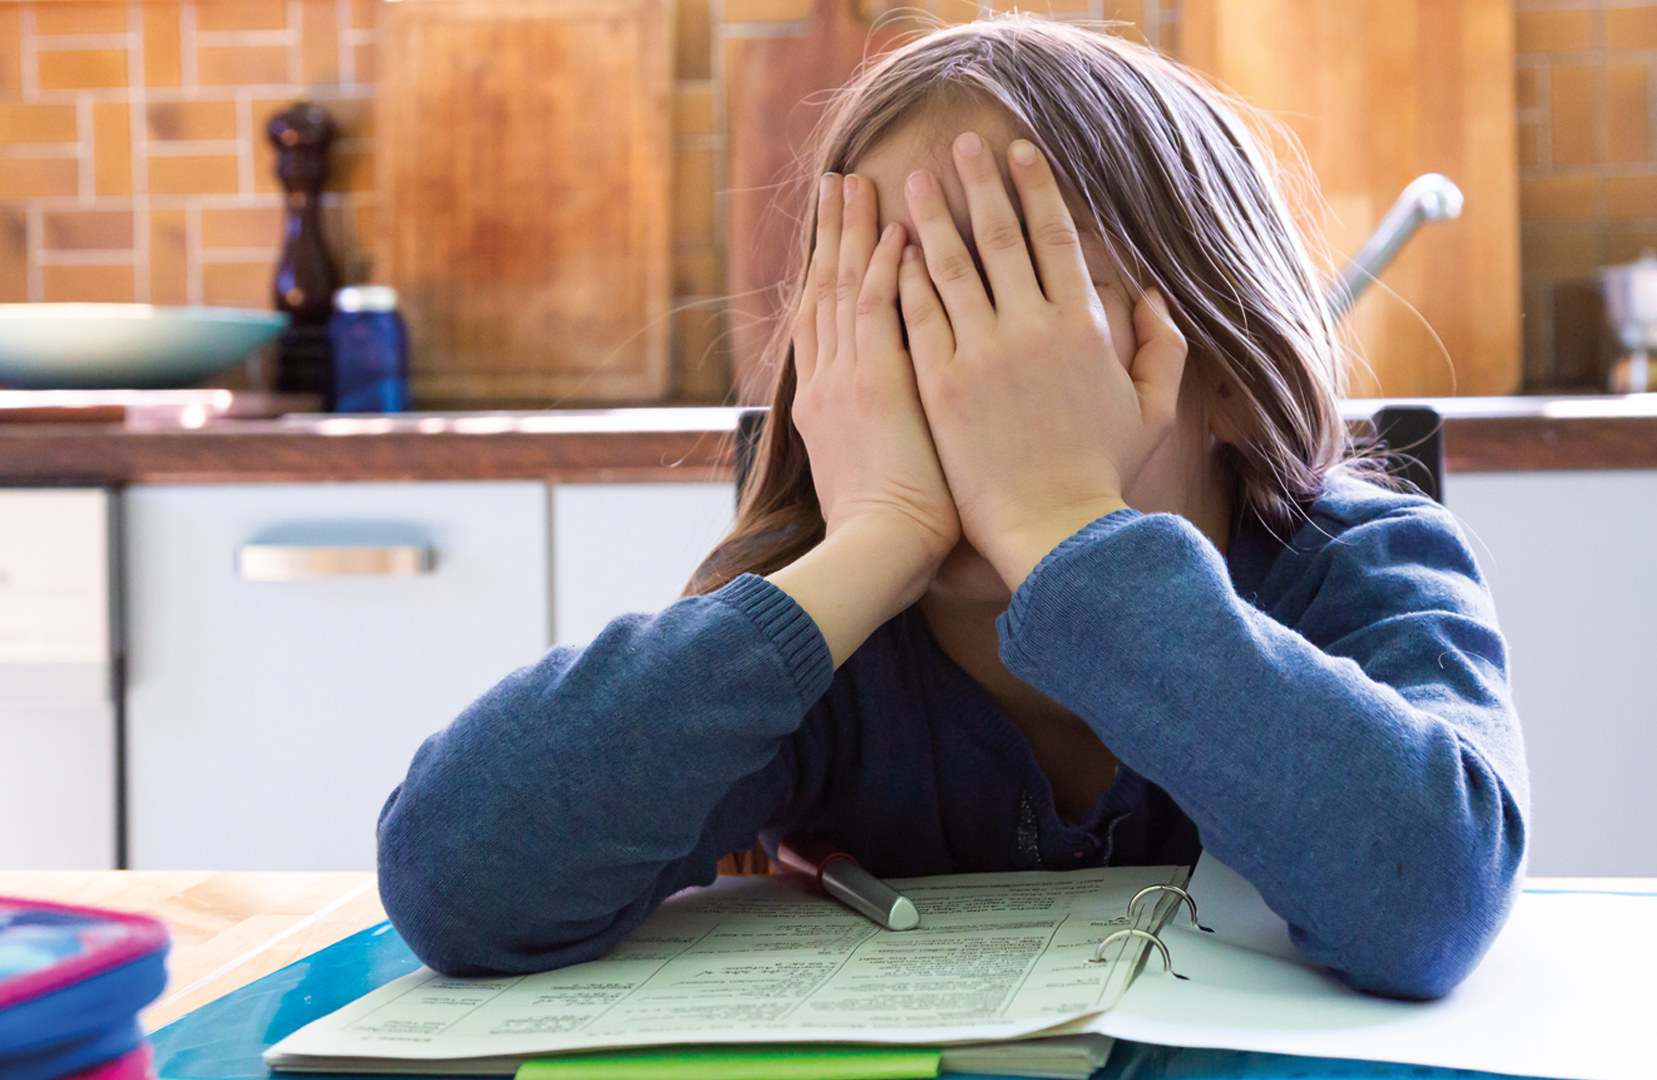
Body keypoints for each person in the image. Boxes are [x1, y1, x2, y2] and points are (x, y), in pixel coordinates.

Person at [375, 15, 1526, 1000]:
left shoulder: (1363, 565)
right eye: (892, 319)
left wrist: (1070, 531)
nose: (951, 386)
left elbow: (1432, 902)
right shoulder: (823, 645)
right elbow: (453, 879)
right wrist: (869, 541)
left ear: (1222, 370)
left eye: (1017, 316)